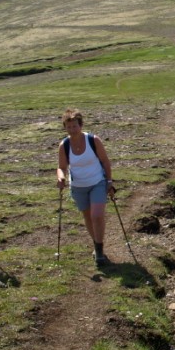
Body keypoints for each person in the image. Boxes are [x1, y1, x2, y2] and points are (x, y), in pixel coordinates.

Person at [56, 109, 116, 267]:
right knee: (88, 217)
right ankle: (96, 244)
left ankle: (99, 251)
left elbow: (105, 161)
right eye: (69, 127)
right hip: (78, 186)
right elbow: (61, 167)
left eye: (75, 126)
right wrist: (61, 177)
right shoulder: (64, 145)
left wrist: (109, 180)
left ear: (81, 125)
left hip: (97, 182)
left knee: (97, 215)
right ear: (65, 128)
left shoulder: (93, 140)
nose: (72, 130)